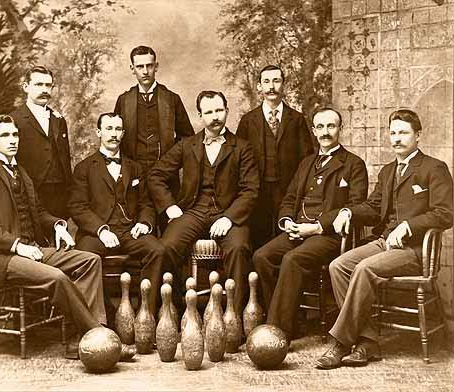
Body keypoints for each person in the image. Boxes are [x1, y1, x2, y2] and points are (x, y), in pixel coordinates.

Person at [316, 109, 454, 369]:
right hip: (384, 242)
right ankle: (368, 341)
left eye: (403, 132)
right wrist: (348, 211)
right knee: (339, 266)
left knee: (364, 268)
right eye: (392, 133)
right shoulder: (388, 171)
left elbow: (446, 214)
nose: (396, 139)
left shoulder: (433, 168)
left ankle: (340, 342)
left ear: (418, 136)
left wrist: (409, 226)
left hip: (415, 251)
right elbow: (372, 208)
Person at [0, 114, 107, 359]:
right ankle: (99, 338)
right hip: (0, 259)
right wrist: (17, 245)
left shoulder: (21, 171)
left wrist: (58, 226)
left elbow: (38, 212)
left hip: (32, 249)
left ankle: (83, 337)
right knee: (58, 277)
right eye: (5, 135)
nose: (13, 140)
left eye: (15, 134)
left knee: (90, 260)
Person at [252, 108, 368, 345]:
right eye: (321, 127)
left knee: (292, 259)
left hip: (330, 236)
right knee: (262, 256)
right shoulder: (306, 163)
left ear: (340, 129)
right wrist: (287, 222)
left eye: (331, 126)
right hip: (298, 230)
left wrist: (316, 227)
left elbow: (356, 206)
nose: (326, 132)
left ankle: (276, 333)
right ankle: (291, 320)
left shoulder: (354, 164)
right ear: (314, 131)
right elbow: (289, 198)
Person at [148, 91, 259, 312]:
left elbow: (251, 189)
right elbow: (155, 175)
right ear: (200, 115)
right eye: (209, 112)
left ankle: (233, 317)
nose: (215, 116)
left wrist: (229, 218)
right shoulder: (187, 145)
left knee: (238, 248)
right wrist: (170, 207)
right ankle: (167, 312)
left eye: (219, 110)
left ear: (227, 111)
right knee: (165, 247)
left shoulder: (242, 147)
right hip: (194, 211)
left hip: (228, 213)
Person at [68, 112, 167, 316]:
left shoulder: (135, 168)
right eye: (109, 129)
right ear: (99, 132)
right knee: (84, 257)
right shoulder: (84, 168)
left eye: (118, 129)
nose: (114, 134)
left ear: (123, 134)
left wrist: (145, 223)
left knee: (157, 250)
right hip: (98, 233)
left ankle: (145, 312)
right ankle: (107, 316)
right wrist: (101, 230)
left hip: (130, 232)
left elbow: (147, 203)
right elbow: (77, 206)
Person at [236, 65, 314, 249]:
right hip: (257, 191)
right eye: (266, 82)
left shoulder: (296, 119)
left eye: (276, 81)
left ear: (283, 85)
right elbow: (237, 158)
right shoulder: (248, 121)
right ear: (259, 86)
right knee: (257, 235)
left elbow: (307, 159)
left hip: (287, 191)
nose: (271, 86)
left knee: (285, 239)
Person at [113, 45, 194, 176]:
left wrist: (171, 163)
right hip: (133, 174)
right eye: (140, 67)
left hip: (165, 174)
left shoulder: (172, 99)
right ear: (132, 69)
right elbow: (115, 136)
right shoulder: (124, 100)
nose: (145, 71)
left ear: (156, 66)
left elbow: (187, 138)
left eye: (149, 66)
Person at [10, 65, 72, 221]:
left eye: (48, 85)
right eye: (39, 85)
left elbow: (65, 157)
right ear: (26, 87)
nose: (45, 90)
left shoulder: (58, 119)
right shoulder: (14, 119)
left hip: (59, 192)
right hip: (31, 191)